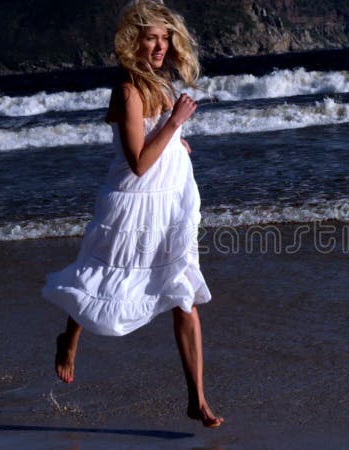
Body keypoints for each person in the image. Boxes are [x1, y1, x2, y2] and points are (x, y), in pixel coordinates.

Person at [41, 0, 223, 428]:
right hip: (130, 201)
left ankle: (196, 399)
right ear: (133, 42)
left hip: (172, 198)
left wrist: (176, 144)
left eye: (164, 38)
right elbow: (138, 162)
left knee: (183, 293)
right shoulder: (128, 90)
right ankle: (70, 336)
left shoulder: (160, 81)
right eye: (151, 38)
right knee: (101, 270)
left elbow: (156, 141)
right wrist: (175, 124)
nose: (160, 46)